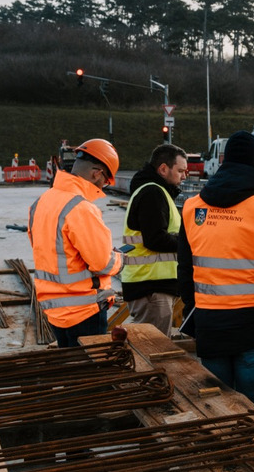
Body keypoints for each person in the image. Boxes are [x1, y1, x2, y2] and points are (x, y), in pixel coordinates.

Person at [177, 131, 254, 411]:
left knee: (218, 409)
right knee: (252, 410)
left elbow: (185, 269)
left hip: (210, 326)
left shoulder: (193, 207)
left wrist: (195, 310)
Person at [28, 138, 125, 348]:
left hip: (54, 309)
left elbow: (50, 251)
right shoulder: (81, 208)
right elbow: (103, 263)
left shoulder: (41, 203)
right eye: (106, 181)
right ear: (97, 173)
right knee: (92, 374)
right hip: (84, 311)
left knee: (72, 368)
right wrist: (120, 259)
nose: (103, 186)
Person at [118, 144, 189, 337]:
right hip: (151, 286)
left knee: (150, 344)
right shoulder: (153, 193)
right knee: (153, 348)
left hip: (150, 284)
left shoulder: (155, 191)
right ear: (163, 169)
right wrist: (188, 241)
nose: (184, 176)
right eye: (181, 170)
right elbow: (155, 239)